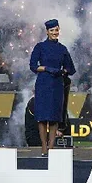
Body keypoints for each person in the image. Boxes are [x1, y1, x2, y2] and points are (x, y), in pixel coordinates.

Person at [29, 19, 76, 156]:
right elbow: (33, 66)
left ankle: (51, 146)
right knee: (42, 117)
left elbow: (71, 68)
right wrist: (46, 68)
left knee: (54, 117)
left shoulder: (62, 49)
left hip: (57, 84)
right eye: (52, 30)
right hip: (43, 83)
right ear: (47, 32)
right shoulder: (40, 47)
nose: (54, 32)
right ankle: (44, 147)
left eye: (56, 30)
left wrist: (63, 71)